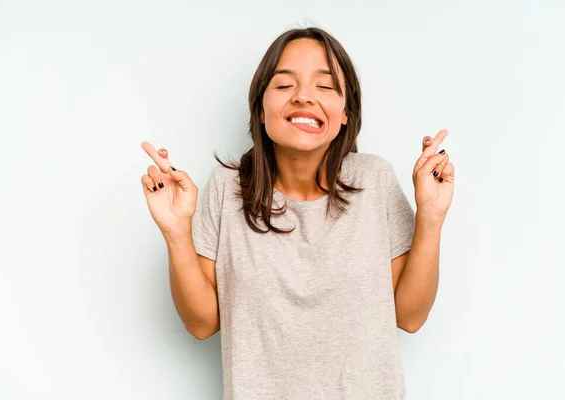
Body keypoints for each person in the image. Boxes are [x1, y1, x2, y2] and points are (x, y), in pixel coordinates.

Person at [140, 27, 454, 400]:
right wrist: (176, 231)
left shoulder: (374, 180)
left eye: (325, 87)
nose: (304, 96)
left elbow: (410, 316)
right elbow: (202, 324)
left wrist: (431, 217)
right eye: (285, 85)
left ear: (344, 115)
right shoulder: (226, 188)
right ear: (260, 108)